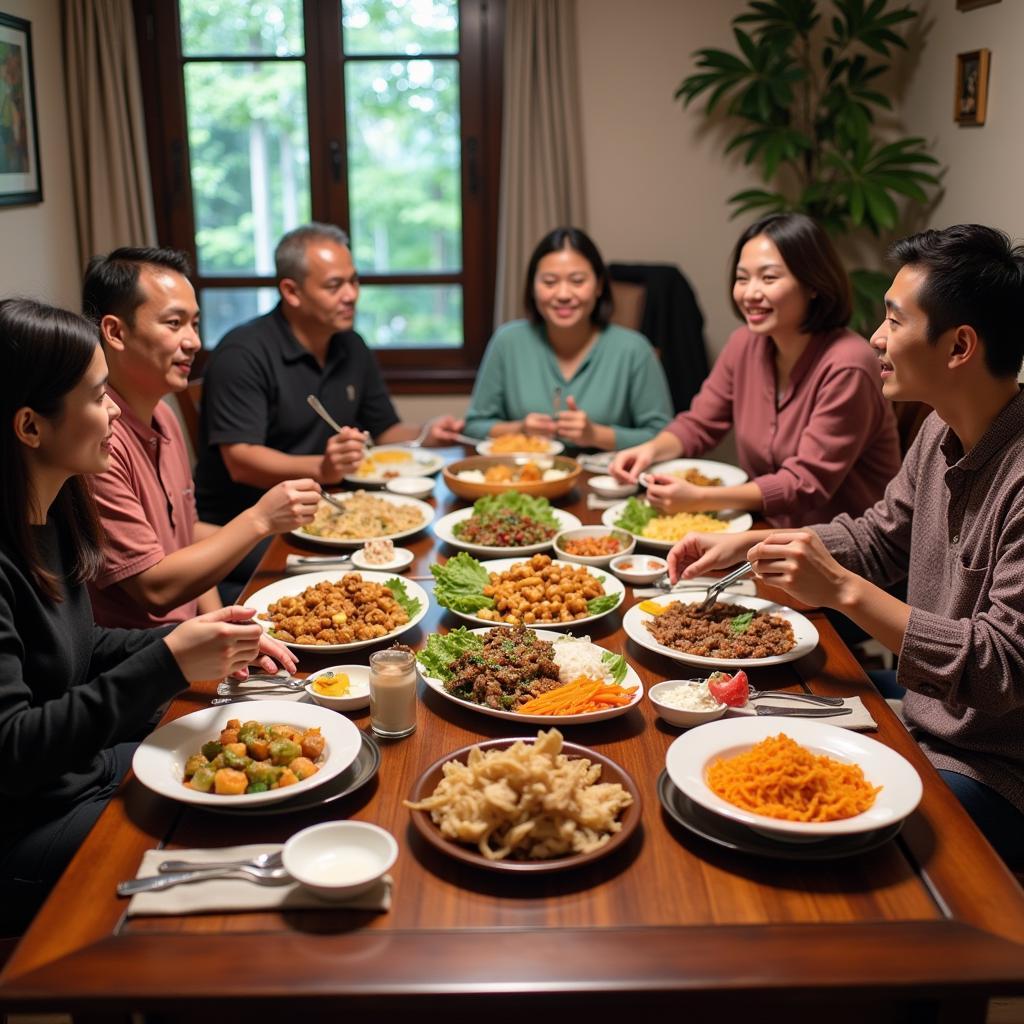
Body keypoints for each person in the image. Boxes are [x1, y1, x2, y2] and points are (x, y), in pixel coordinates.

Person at [667, 224, 1024, 866]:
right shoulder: (940, 432)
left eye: (893, 320)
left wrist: (841, 590)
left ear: (960, 345)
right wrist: (748, 543)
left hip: (993, 771)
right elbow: (879, 538)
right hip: (922, 717)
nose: (876, 339)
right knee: (726, 756)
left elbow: (1000, 667)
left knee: (784, 830)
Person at [0, 298, 296, 932]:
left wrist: (192, 638)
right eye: (96, 394)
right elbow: (13, 748)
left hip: (82, 774)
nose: (112, 411)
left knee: (264, 779)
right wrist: (166, 662)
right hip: (24, 828)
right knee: (241, 858)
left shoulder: (51, 514)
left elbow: (81, 646)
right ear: (30, 427)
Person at [81, 247, 321, 629]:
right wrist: (260, 518)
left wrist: (224, 627)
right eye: (174, 323)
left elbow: (187, 538)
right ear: (115, 332)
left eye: (194, 324)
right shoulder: (95, 439)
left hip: (192, 632)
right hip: (144, 655)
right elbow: (155, 589)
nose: (193, 341)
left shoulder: (163, 413)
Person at [611, 213, 901, 527]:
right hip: (767, 532)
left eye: (769, 277)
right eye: (742, 278)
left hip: (844, 551)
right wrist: (649, 451)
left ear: (813, 284)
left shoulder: (849, 364)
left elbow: (806, 483)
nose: (750, 293)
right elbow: (700, 423)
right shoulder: (744, 344)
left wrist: (699, 498)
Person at [194, 223, 464, 530]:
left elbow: (385, 430)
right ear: (291, 292)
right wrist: (322, 468)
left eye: (354, 281)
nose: (351, 295)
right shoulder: (242, 353)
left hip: (328, 506)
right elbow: (241, 462)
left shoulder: (351, 344)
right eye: (334, 285)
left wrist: (426, 434)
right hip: (246, 525)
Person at [463, 227, 673, 451]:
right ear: (533, 287)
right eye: (550, 282)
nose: (563, 295)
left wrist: (596, 435)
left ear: (599, 286)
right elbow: (473, 426)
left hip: (607, 481)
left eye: (577, 281)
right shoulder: (507, 342)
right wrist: (521, 429)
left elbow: (665, 438)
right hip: (526, 480)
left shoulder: (634, 349)